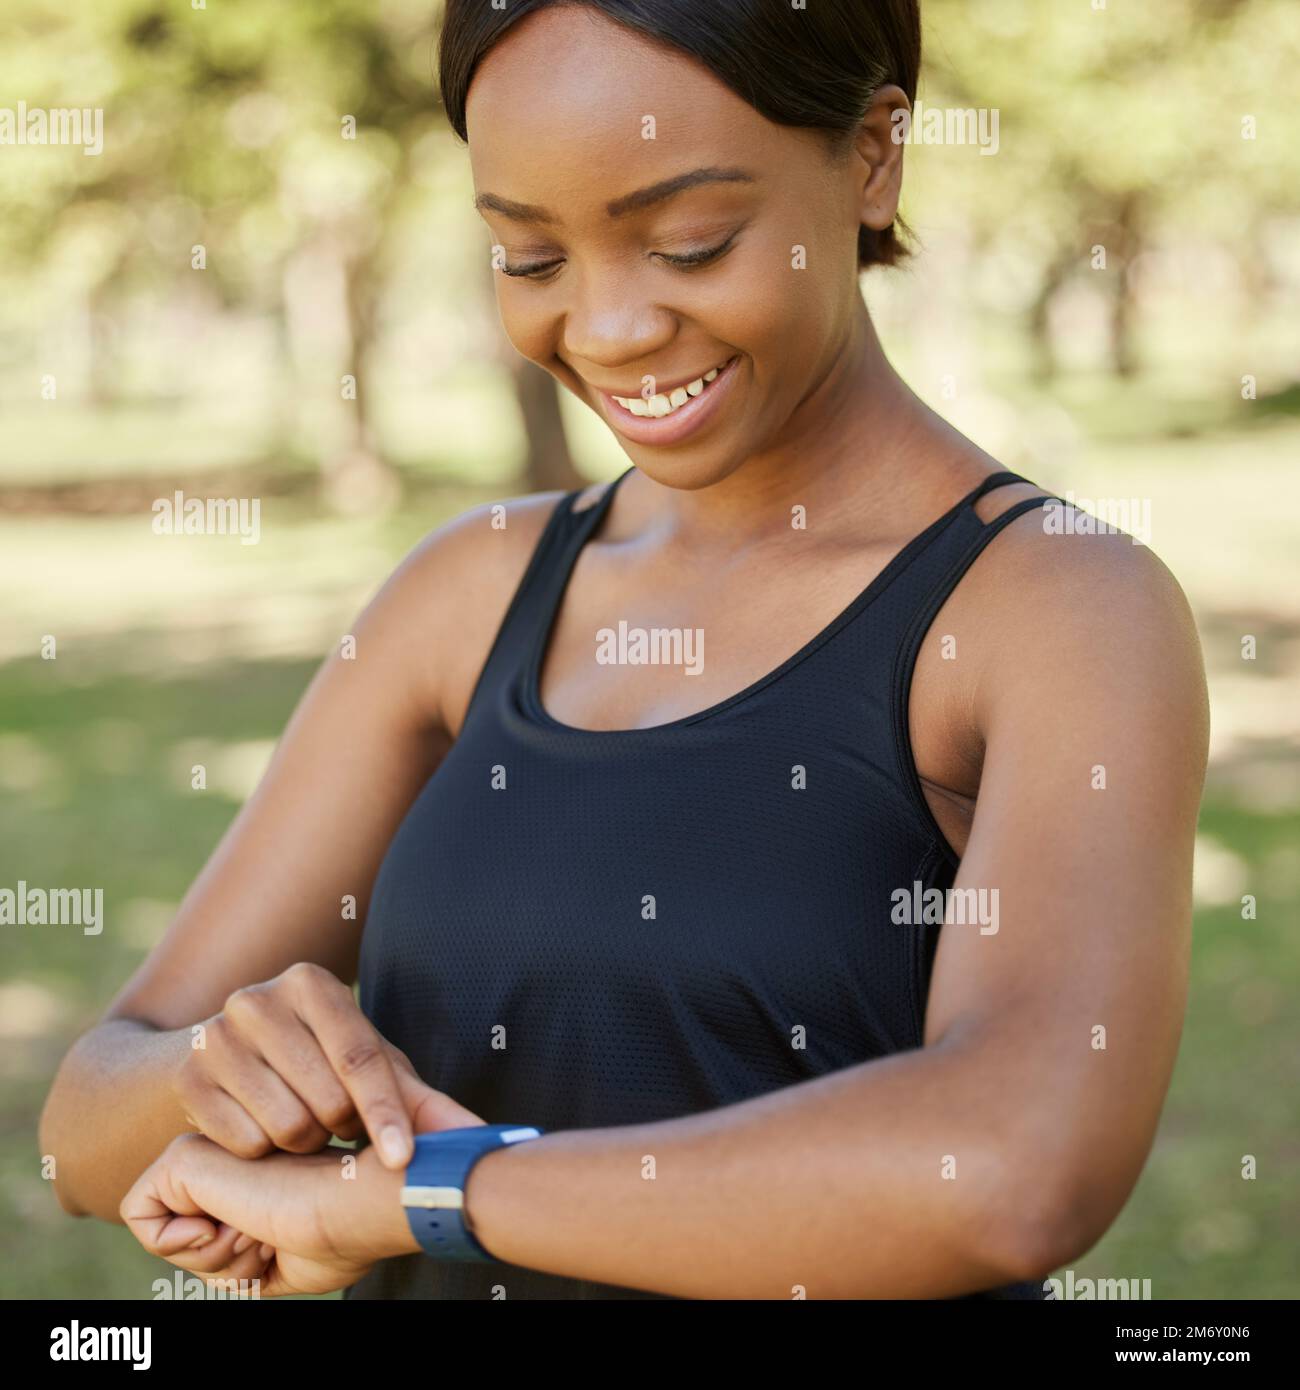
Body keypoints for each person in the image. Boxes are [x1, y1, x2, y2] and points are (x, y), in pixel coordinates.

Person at [41, 0, 1208, 1300]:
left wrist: (428, 1191)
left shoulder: (1056, 607)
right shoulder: (469, 595)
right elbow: (85, 1120)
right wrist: (219, 1066)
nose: (605, 331)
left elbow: (1016, 1163)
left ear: (875, 155)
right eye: (530, 259)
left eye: (689, 243)